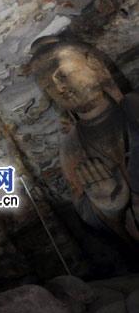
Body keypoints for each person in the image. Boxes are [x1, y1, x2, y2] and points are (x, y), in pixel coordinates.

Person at [29, 37, 139, 244]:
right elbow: (87, 214)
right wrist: (108, 204)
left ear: (95, 66)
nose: (59, 88)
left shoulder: (135, 106)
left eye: (62, 75)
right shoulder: (71, 147)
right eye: (47, 85)